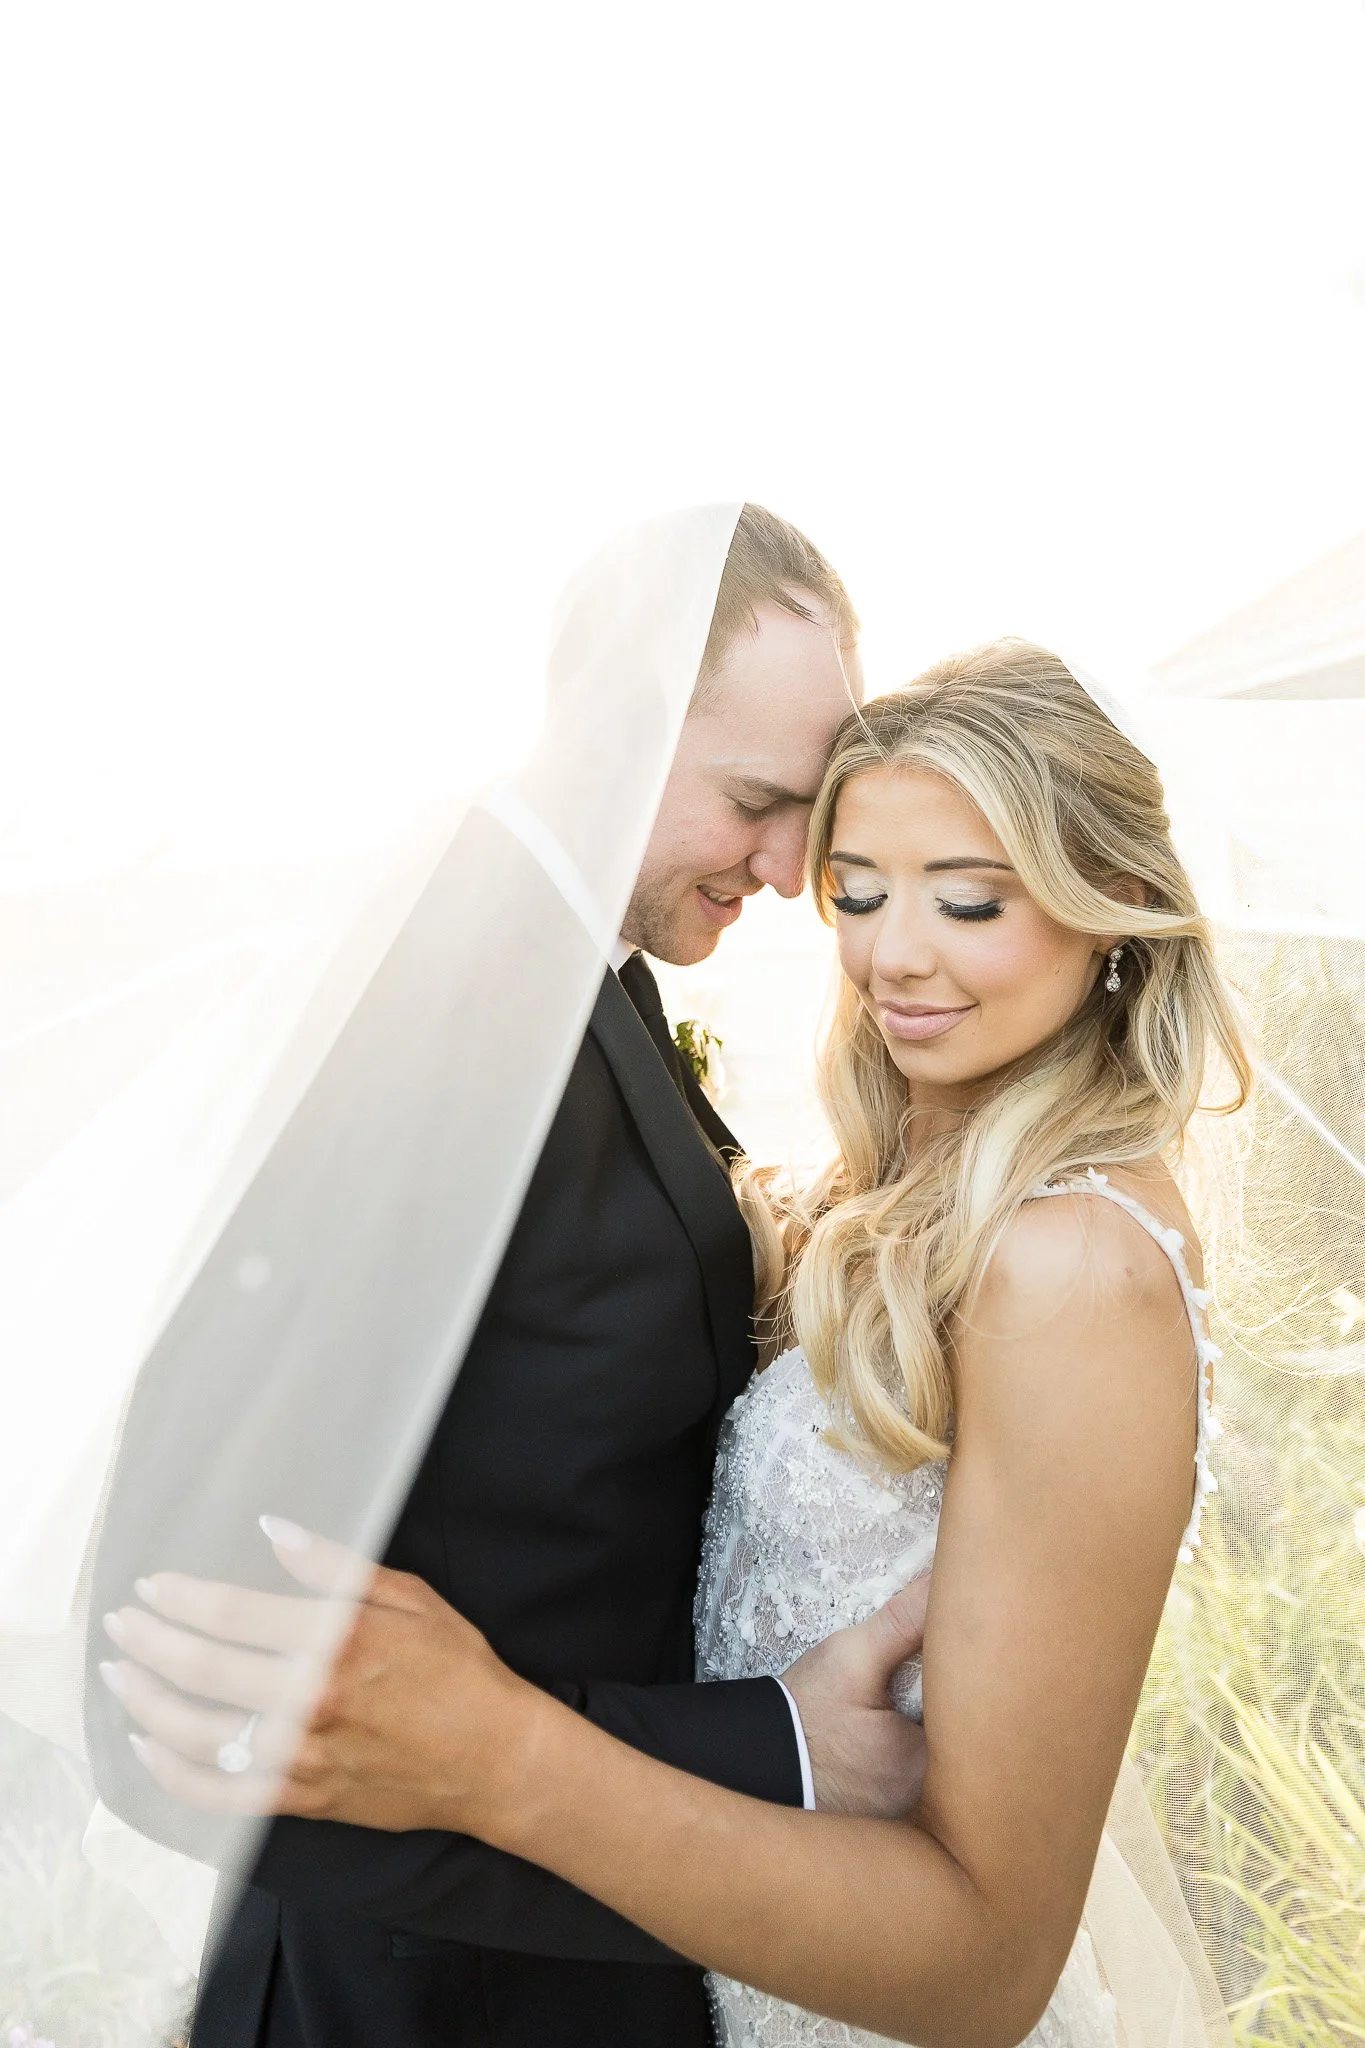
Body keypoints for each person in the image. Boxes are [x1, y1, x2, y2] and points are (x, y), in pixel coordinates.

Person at [105, 642, 1251, 2046]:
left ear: (1115, 902)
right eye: (858, 891)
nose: (894, 953)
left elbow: (985, 1967)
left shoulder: (1072, 1267)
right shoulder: (914, 1187)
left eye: (968, 899)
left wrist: (500, 1751)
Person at [88, 506, 943, 2048]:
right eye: (757, 803)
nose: (787, 866)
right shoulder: (428, 1001)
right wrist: (765, 1759)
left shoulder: (582, 976)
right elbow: (168, 1704)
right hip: (415, 2005)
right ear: (615, 721)